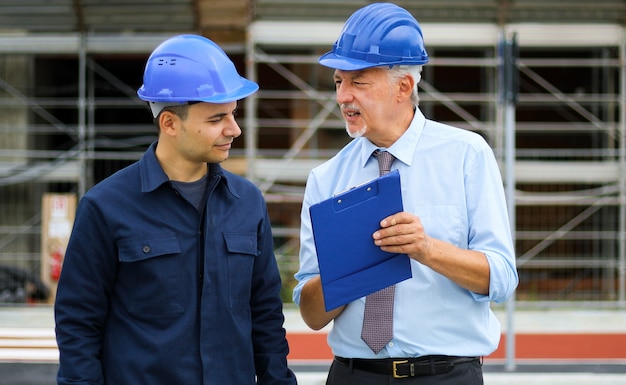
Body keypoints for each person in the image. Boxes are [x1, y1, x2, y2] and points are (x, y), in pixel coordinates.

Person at [293, 3, 518, 384]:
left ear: (404, 87)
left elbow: (500, 279)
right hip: (354, 375)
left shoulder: (468, 155)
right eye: (338, 82)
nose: (343, 97)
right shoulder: (325, 178)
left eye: (358, 82)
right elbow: (313, 316)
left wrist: (426, 249)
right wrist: (349, 270)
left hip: (446, 375)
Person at [54, 34, 297, 385]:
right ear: (169, 123)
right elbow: (78, 323)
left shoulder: (248, 203)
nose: (235, 129)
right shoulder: (105, 207)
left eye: (233, 114)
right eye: (216, 119)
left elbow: (266, 317)